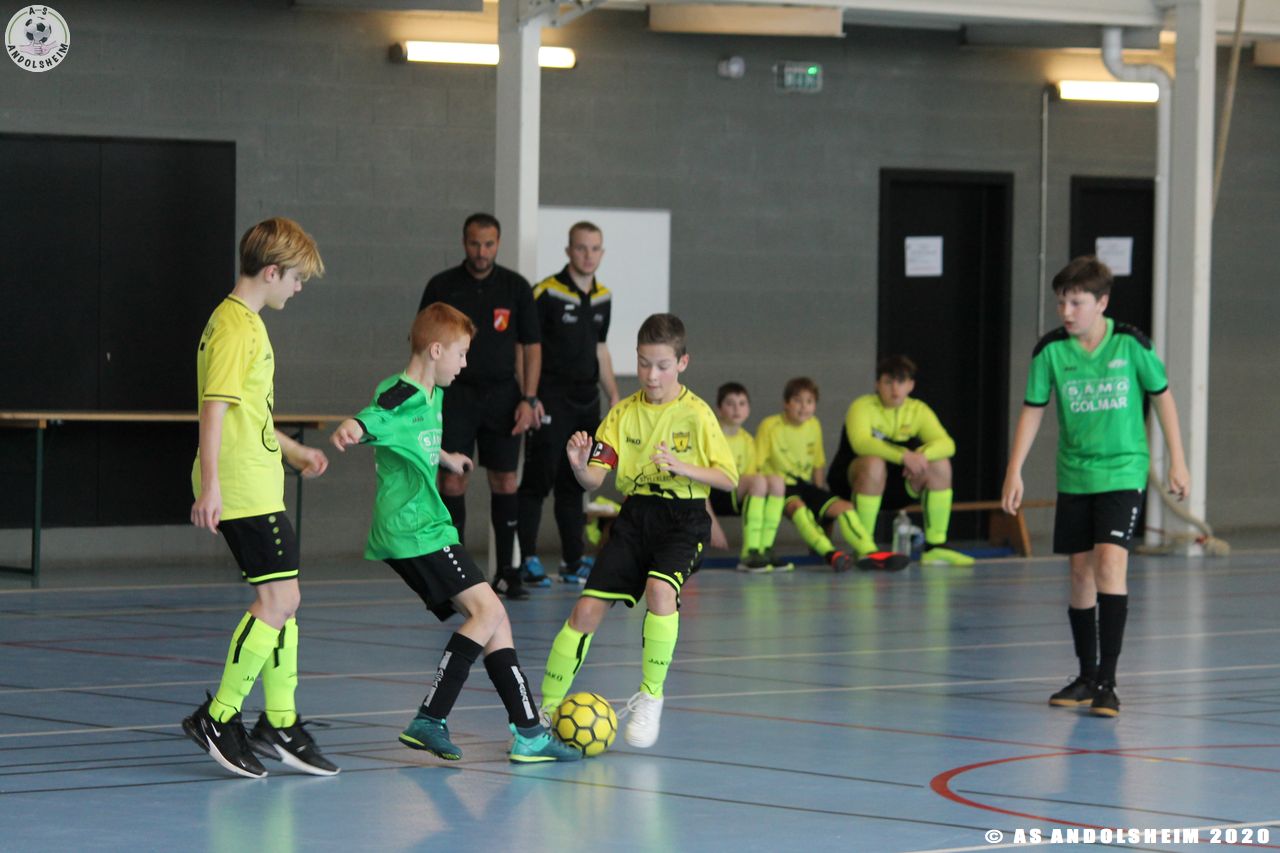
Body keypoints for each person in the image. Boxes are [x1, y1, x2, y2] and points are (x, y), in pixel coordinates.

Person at [330, 303, 579, 764]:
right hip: (413, 529)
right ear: (436, 350)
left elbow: (414, 434)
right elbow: (377, 416)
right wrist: (353, 427)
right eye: (461, 354)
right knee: (488, 611)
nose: (465, 364)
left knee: (495, 618)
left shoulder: (434, 393)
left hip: (427, 527)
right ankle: (430, 717)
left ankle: (528, 731)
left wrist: (445, 457)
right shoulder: (401, 392)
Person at [183, 217, 339, 779]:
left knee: (285, 600)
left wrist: (293, 451)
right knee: (277, 600)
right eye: (296, 279)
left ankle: (280, 721)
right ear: (271, 272)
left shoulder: (245, 323)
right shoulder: (235, 327)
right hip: (242, 487)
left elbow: (250, 413)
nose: (298, 289)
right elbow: (214, 408)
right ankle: (219, 716)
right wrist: (212, 485)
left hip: (258, 480)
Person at [1002, 256, 1190, 718]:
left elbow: (1163, 397)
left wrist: (1178, 461)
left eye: (1076, 303)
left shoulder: (1131, 344)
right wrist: (1014, 469)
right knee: (1080, 574)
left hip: (1123, 471)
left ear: (1101, 303)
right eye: (1061, 303)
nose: (1066, 312)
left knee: (1110, 563)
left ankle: (1108, 681)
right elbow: (1032, 409)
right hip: (1075, 473)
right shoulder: (1050, 351)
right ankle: (1086, 676)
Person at [539, 313, 737, 748]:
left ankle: (651, 696)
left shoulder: (697, 415)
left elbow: (727, 478)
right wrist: (579, 466)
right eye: (644, 364)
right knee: (584, 611)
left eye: (662, 365)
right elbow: (595, 479)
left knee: (660, 590)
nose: (651, 375)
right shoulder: (621, 415)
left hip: (684, 518)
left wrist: (683, 467)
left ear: (682, 362)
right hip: (634, 518)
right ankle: (546, 710)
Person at [419, 213, 541, 600]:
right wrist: (426, 395)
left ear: (498, 244)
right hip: (455, 396)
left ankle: (507, 572)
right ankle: (454, 573)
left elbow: (531, 346)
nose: (481, 251)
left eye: (488, 244)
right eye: (475, 243)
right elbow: (422, 342)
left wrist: (529, 398)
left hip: (504, 397)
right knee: (452, 480)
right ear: (464, 242)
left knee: (505, 480)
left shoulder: (515, 287)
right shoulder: (442, 286)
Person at [517, 222, 620, 588]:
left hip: (586, 403)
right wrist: (529, 396)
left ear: (602, 253)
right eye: (581, 248)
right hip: (550, 400)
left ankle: (573, 561)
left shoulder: (605, 296)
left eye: (594, 248)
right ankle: (526, 560)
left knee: (576, 482)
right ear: (568, 251)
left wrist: (613, 394)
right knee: (538, 480)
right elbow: (525, 347)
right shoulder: (546, 291)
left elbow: (601, 349)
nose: (588, 255)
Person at [827, 355, 974, 567]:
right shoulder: (861, 407)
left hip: (898, 486)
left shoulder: (918, 410)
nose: (895, 389)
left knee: (940, 464)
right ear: (877, 384)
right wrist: (904, 456)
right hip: (852, 483)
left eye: (901, 382)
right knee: (874, 463)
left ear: (911, 385)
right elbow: (861, 443)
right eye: (888, 382)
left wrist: (921, 456)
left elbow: (948, 444)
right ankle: (864, 547)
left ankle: (935, 547)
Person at [755, 378, 909, 573]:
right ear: (786, 403)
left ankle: (869, 551)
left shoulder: (814, 424)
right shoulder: (769, 425)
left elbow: (818, 463)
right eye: (797, 401)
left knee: (845, 507)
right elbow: (756, 464)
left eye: (809, 401)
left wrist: (820, 495)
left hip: (805, 486)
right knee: (800, 510)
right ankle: (830, 553)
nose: (804, 407)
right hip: (779, 487)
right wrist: (764, 493)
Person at [707, 382, 791, 573]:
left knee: (777, 482)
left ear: (748, 409)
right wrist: (712, 522)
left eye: (742, 403)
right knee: (758, 481)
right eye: (730, 403)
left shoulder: (747, 440)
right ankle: (749, 552)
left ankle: (764, 548)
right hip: (713, 494)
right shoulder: (711, 435)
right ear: (719, 409)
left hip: (736, 495)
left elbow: (751, 478)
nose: (737, 409)